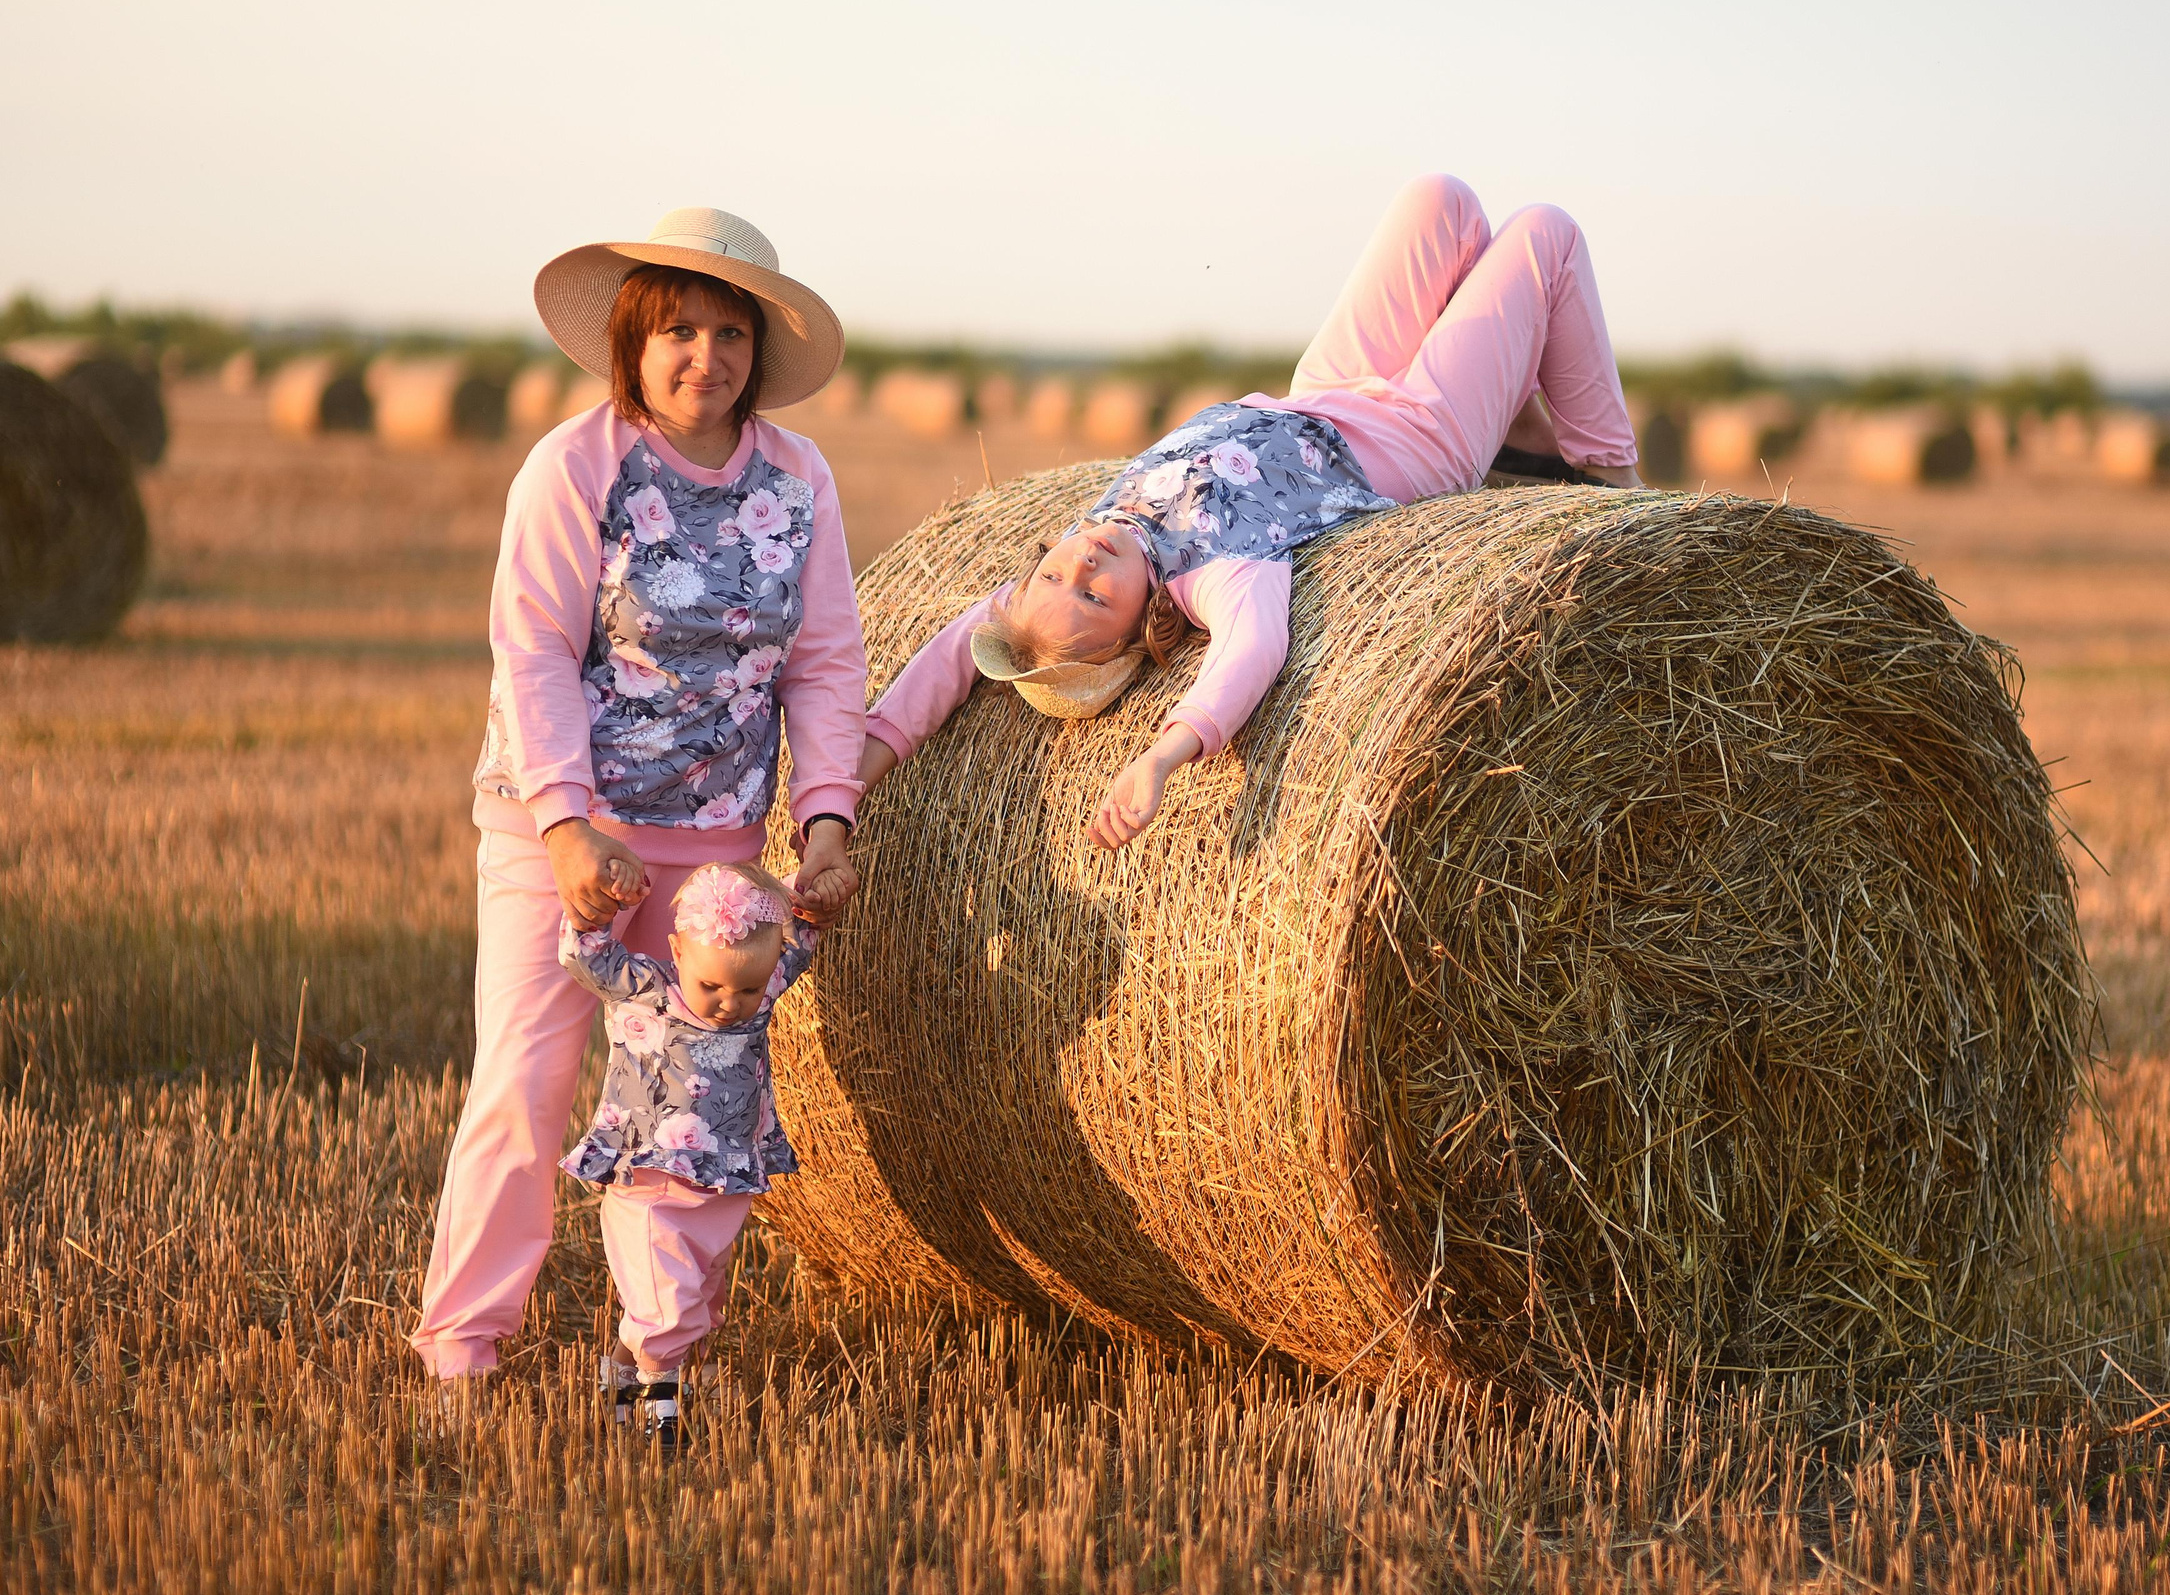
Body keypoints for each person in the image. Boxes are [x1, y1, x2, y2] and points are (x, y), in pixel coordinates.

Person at [411, 208, 870, 1384]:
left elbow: (825, 660)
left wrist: (824, 822)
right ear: (633, 338)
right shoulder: (576, 466)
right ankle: (463, 1351)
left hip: (713, 847)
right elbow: (532, 649)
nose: (704, 356)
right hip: (557, 833)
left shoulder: (798, 476)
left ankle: (655, 1357)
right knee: (525, 1089)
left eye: (730, 333)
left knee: (692, 1104)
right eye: (678, 330)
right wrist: (567, 826)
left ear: (758, 349)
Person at [857, 174, 1640, 845]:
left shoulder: (1083, 543)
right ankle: (1609, 472)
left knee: (1443, 201)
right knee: (1547, 234)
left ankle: (1521, 427)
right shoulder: (1210, 572)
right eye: (1095, 598)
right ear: (1139, 628)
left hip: (1322, 390)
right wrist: (1164, 754)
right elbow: (1252, 648)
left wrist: (861, 765)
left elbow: (953, 655)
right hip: (1417, 436)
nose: (1083, 564)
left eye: (1057, 574)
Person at [558, 861, 826, 1446]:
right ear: (677, 951)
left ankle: (618, 1382)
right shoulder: (648, 987)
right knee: (668, 1306)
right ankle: (662, 1418)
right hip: (651, 1182)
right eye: (713, 987)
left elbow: (799, 946)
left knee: (696, 1297)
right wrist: (597, 907)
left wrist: (810, 898)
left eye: (747, 989)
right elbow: (584, 955)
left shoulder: (762, 989)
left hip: (721, 1187)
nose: (731, 1003)